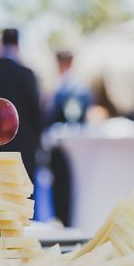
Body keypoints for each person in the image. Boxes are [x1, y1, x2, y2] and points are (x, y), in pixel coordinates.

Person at [0, 29, 42, 187]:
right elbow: (36, 113)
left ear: (2, 44)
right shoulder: (26, 74)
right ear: (17, 45)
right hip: (22, 152)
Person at [45, 50, 92, 226]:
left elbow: (72, 116)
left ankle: (67, 222)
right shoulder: (62, 86)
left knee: (66, 187)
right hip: (61, 147)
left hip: (67, 147)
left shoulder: (73, 88)